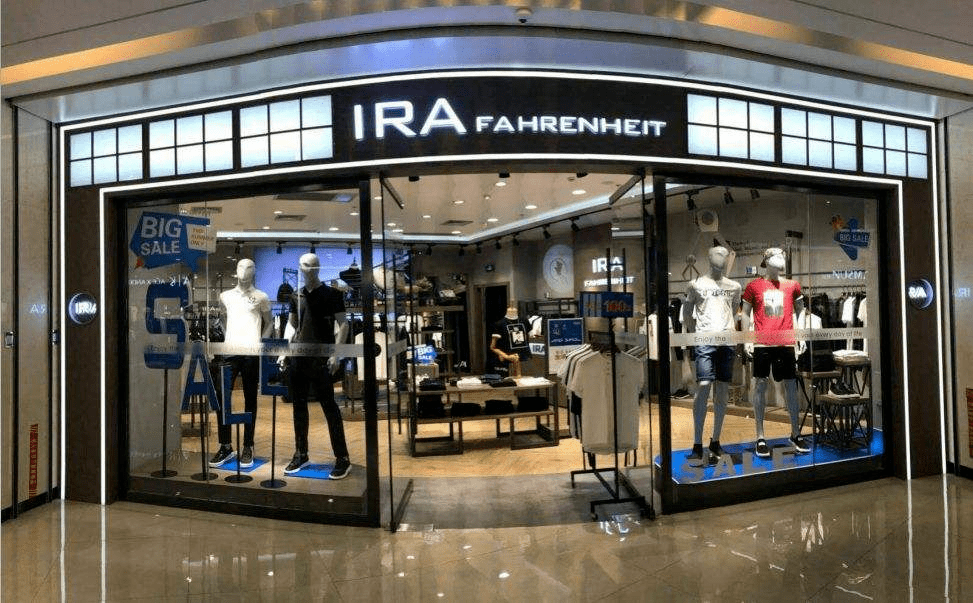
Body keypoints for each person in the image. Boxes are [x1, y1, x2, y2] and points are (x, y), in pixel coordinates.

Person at [283, 253, 352, 480]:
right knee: (299, 407)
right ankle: (301, 453)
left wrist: (336, 354)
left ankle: (342, 457)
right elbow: (292, 325)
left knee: (329, 407)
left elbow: (343, 325)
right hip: (298, 358)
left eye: (312, 266)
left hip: (321, 359)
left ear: (318, 268)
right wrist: (284, 351)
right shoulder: (296, 296)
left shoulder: (332, 294)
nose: (308, 269)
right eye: (304, 265)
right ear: (300, 268)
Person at [741, 247, 810, 458]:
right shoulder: (753, 286)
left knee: (791, 386)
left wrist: (801, 336)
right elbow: (745, 313)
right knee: (760, 386)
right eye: (777, 255)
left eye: (783, 255)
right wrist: (747, 339)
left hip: (786, 342)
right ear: (767, 260)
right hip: (762, 343)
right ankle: (760, 436)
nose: (782, 258)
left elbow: (801, 310)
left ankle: (795, 433)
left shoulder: (792, 285)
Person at [210, 259, 272, 468]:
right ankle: (225, 445)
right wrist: (229, 337)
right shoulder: (225, 296)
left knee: (250, 398)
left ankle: (248, 445)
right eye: (241, 267)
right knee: (222, 397)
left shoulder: (261, 296)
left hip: (250, 354)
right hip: (230, 352)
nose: (244, 270)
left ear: (254, 272)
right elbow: (223, 318)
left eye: (249, 267)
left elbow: (269, 323)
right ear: (236, 271)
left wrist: (261, 343)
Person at [683, 246, 741, 465]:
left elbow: (733, 310)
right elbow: (687, 313)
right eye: (718, 254)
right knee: (704, 385)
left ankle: (715, 441)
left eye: (725, 255)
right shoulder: (695, 284)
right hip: (705, 341)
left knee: (723, 391)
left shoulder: (734, 286)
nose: (722, 258)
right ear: (708, 258)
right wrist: (694, 337)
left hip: (727, 341)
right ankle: (697, 443)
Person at [489, 304, 531, 377]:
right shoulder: (500, 324)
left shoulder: (524, 321)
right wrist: (506, 356)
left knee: (524, 381)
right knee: (510, 381)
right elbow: (493, 347)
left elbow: (527, 337)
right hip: (508, 359)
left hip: (524, 359)